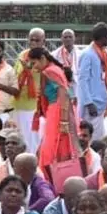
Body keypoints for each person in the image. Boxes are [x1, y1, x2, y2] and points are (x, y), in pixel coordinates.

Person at [28, 47, 76, 176]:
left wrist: (64, 121)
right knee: (55, 147)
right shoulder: (53, 69)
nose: (33, 67)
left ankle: (51, 177)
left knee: (52, 149)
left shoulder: (50, 71)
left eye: (34, 63)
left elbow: (64, 94)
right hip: (55, 111)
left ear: (42, 59)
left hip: (58, 111)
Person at [76, 23, 107, 135]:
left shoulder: (102, 54)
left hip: (100, 103)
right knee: (91, 137)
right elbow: (83, 80)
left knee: (99, 137)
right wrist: (89, 102)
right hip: (92, 105)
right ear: (103, 37)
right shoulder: (88, 54)